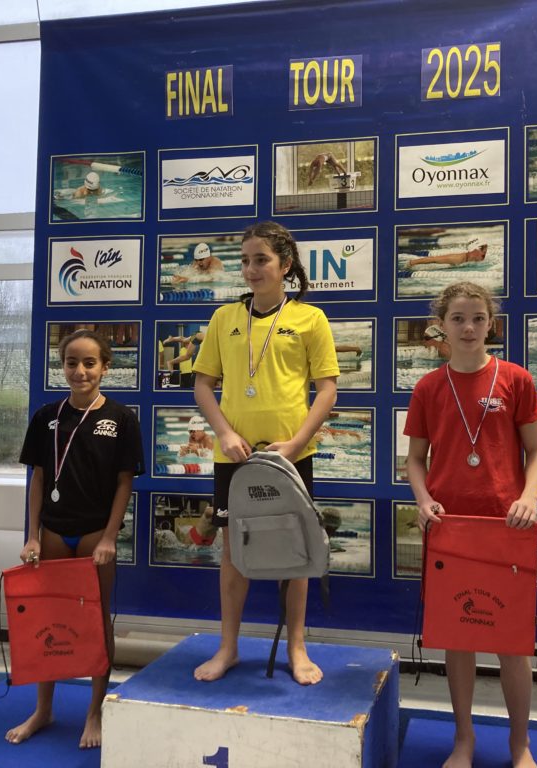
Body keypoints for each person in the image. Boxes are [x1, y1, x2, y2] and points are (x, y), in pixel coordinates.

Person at [404, 280, 537, 768]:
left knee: (512, 644)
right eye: (458, 319)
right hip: (451, 529)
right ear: (440, 326)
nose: (468, 328)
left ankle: (519, 744)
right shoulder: (428, 387)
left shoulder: (516, 380)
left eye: (478, 319)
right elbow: (415, 459)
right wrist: (423, 500)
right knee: (458, 639)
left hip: (507, 526)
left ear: (492, 325)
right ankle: (463, 739)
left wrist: (529, 497)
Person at [191, 220, 340, 685]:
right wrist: (224, 433)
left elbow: (327, 390)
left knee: (294, 554)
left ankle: (297, 648)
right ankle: (228, 647)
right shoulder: (224, 318)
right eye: (245, 261)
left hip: (290, 457)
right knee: (233, 553)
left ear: (285, 265)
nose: (252, 269)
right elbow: (203, 386)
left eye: (262, 260)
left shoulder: (310, 319)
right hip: (233, 458)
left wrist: (295, 444)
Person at [8, 329, 145, 749]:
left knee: (96, 620)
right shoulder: (46, 416)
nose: (80, 371)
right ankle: (43, 709)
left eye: (89, 363)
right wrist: (32, 536)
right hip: (53, 531)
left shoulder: (122, 419)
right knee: (48, 619)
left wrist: (109, 538)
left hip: (94, 535)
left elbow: (124, 484)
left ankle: (95, 711)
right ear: (61, 366)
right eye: (71, 362)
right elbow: (38, 478)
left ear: (106, 367)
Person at [406, 243, 488, 269]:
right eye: (483, 254)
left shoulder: (474, 259)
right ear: (475, 251)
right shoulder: (457, 259)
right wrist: (413, 262)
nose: (484, 257)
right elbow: (433, 259)